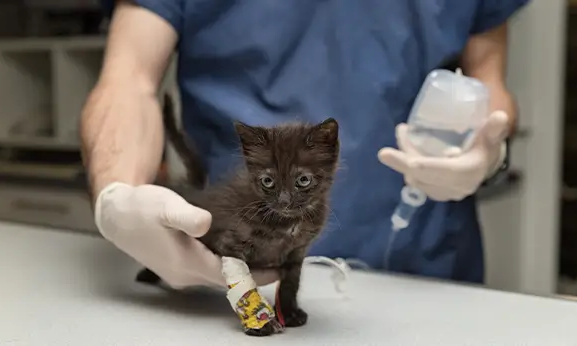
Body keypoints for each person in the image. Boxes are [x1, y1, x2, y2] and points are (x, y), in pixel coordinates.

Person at [81, 0, 529, 289]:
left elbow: (488, 80)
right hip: (230, 262)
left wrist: (489, 146)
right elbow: (129, 80)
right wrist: (117, 194)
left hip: (425, 265)